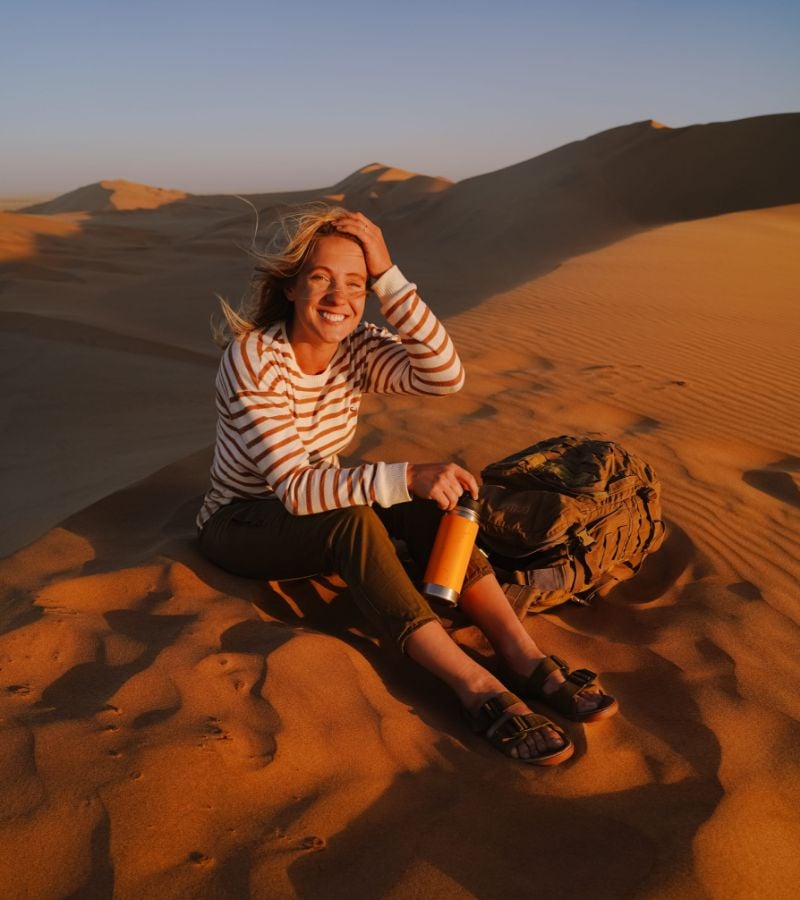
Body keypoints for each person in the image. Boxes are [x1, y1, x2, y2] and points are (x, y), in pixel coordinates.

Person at [196, 203, 617, 766]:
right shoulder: (253, 358)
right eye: (321, 278)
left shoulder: (358, 347)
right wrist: (408, 476)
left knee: (433, 506)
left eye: (355, 283)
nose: (338, 297)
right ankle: (476, 686)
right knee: (361, 514)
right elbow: (295, 491)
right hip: (241, 522)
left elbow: (444, 375)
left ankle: (523, 656)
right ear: (291, 287)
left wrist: (390, 276)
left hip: (316, 504)